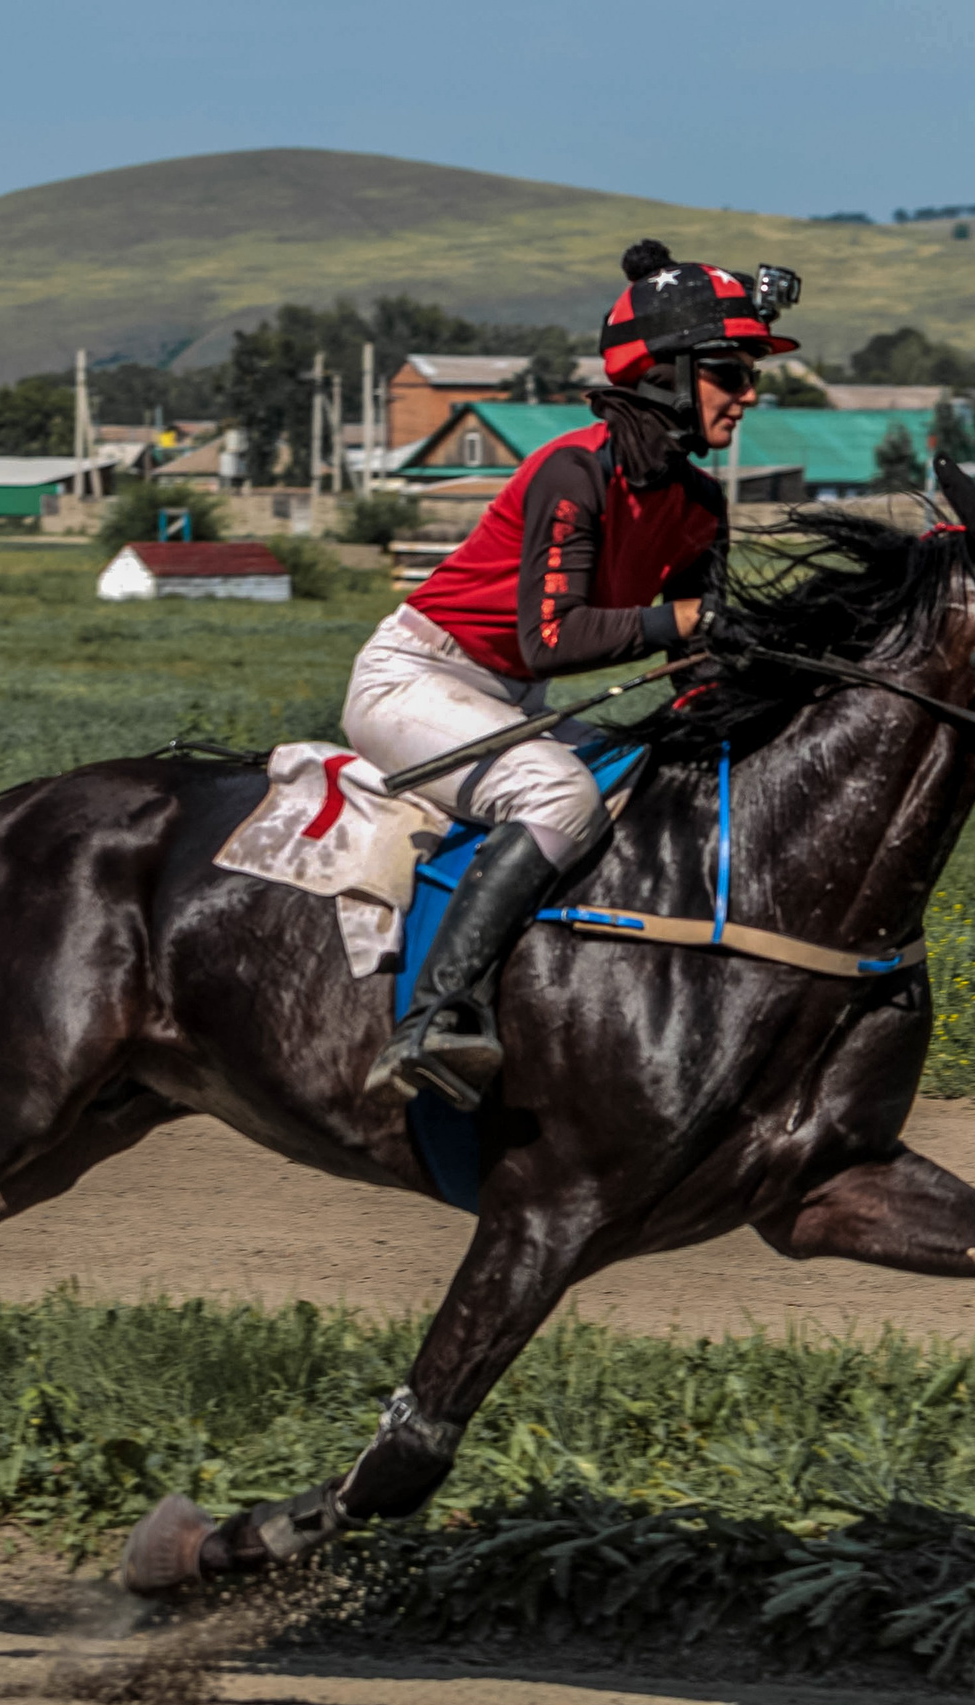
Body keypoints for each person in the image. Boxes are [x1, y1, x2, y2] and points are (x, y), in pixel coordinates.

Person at [344, 240, 797, 1109]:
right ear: (665, 373)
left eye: (750, 379)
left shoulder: (701, 504)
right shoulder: (573, 470)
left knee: (657, 782)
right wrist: (693, 620)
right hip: (412, 682)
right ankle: (436, 1017)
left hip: (508, 701)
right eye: (732, 374)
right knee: (558, 795)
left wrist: (741, 720)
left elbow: (695, 660)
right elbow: (553, 638)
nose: (748, 396)